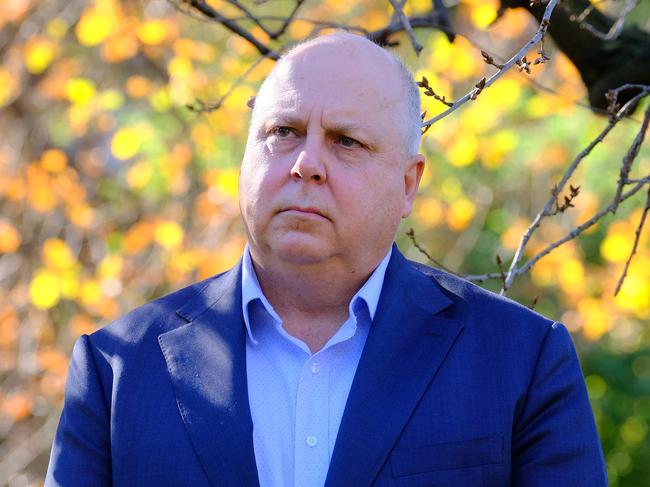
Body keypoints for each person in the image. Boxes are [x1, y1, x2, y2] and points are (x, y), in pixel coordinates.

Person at [45, 32, 607, 486]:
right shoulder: (117, 369)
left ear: (409, 184)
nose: (306, 163)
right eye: (283, 132)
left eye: (346, 141)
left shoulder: (521, 361)